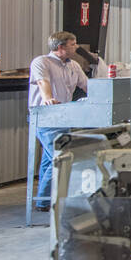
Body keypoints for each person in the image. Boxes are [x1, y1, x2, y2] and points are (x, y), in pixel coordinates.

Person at [29, 31, 89, 209]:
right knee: (60, 155)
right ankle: (52, 201)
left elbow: (87, 86)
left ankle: (44, 201)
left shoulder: (74, 66)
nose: (76, 47)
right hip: (47, 118)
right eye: (73, 44)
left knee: (50, 159)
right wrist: (48, 98)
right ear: (60, 47)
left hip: (65, 117)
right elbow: (43, 83)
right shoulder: (41, 62)